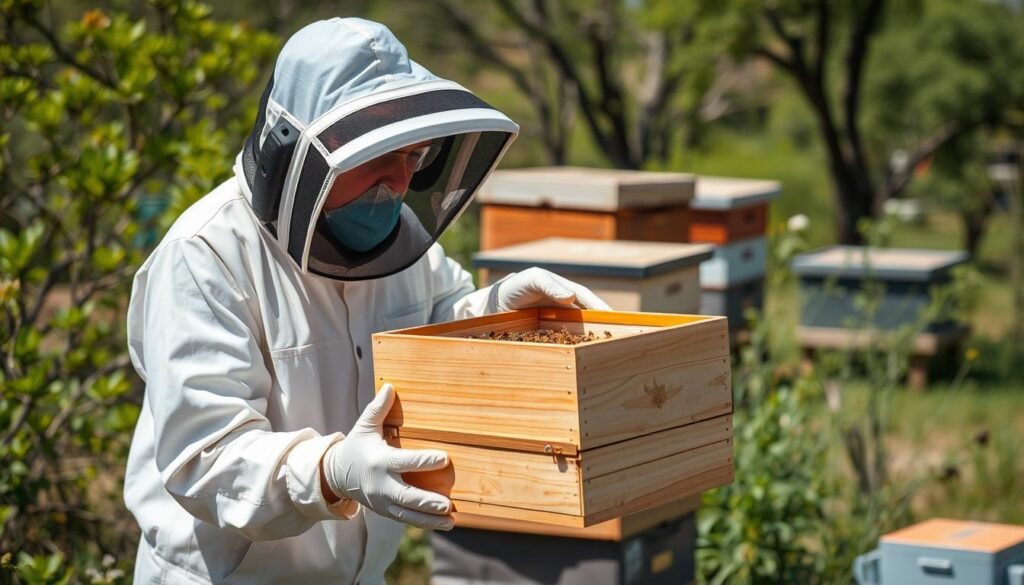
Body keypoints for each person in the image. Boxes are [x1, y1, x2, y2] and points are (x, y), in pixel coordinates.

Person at [123, 17, 610, 585]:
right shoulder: (205, 257)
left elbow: (435, 326)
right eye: (375, 157)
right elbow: (204, 460)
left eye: (412, 157)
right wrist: (330, 471)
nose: (399, 183)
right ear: (294, 156)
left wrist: (496, 310)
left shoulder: (400, 242)